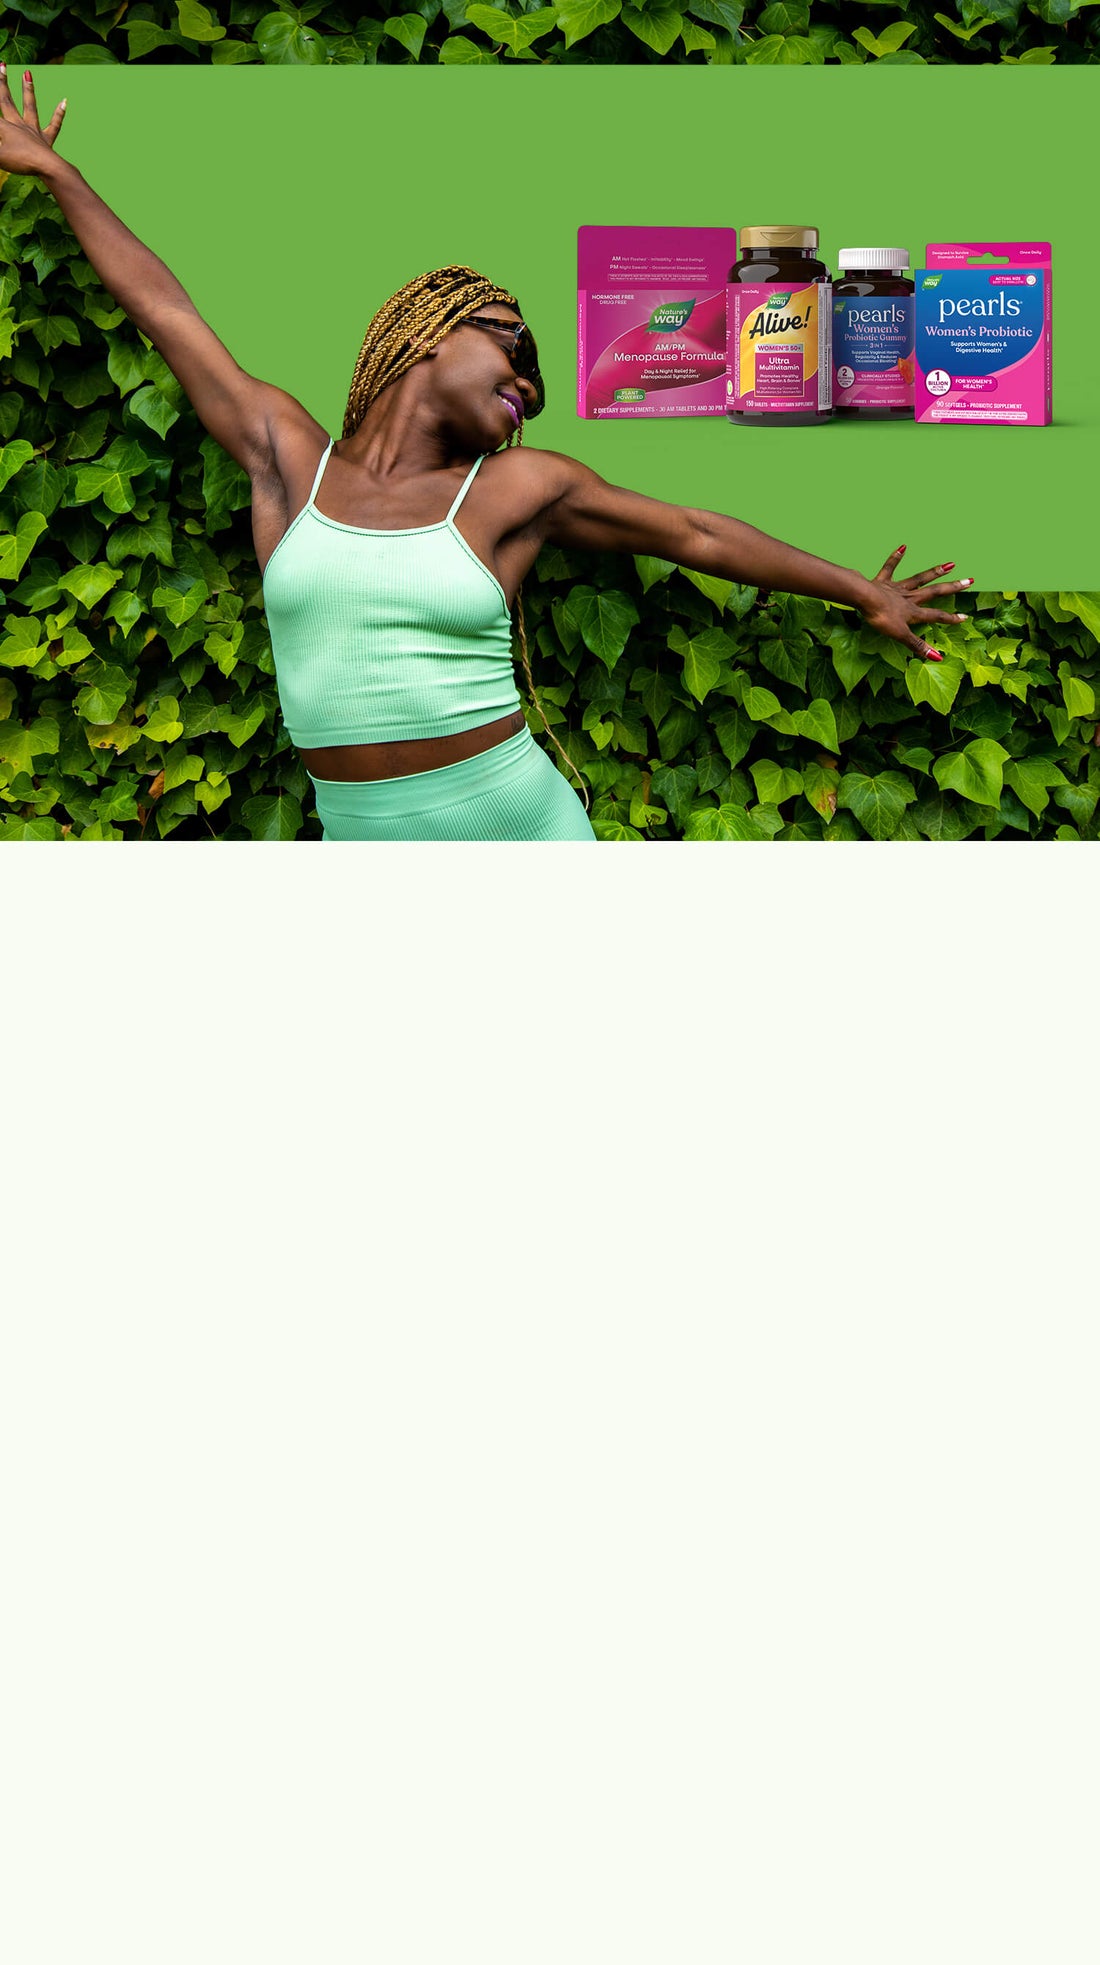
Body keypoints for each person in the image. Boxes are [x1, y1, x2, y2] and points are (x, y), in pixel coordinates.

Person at [0, 70, 974, 842]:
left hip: (518, 832)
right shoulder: (287, 457)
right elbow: (169, 313)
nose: (531, 386)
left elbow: (695, 532)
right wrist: (59, 173)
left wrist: (861, 589)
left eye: (539, 384)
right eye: (516, 347)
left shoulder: (514, 487)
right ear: (433, 329)